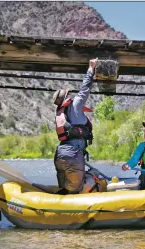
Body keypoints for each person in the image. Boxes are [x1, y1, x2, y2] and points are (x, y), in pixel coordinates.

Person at [53, 58, 97, 195]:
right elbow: (85, 87)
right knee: (83, 184)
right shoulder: (76, 104)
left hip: (60, 155)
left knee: (65, 190)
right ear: (67, 96)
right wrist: (91, 68)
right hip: (73, 154)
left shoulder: (60, 112)